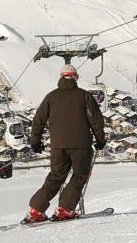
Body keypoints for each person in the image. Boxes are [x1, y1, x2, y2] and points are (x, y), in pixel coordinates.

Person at [22, 64, 107, 223]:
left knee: (55, 176)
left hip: (58, 146)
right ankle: (65, 210)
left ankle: (36, 211)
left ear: (61, 77)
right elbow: (96, 121)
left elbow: (38, 121)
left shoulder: (51, 97)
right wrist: (100, 141)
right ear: (76, 77)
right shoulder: (84, 96)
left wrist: (35, 142)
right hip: (81, 145)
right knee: (80, 175)